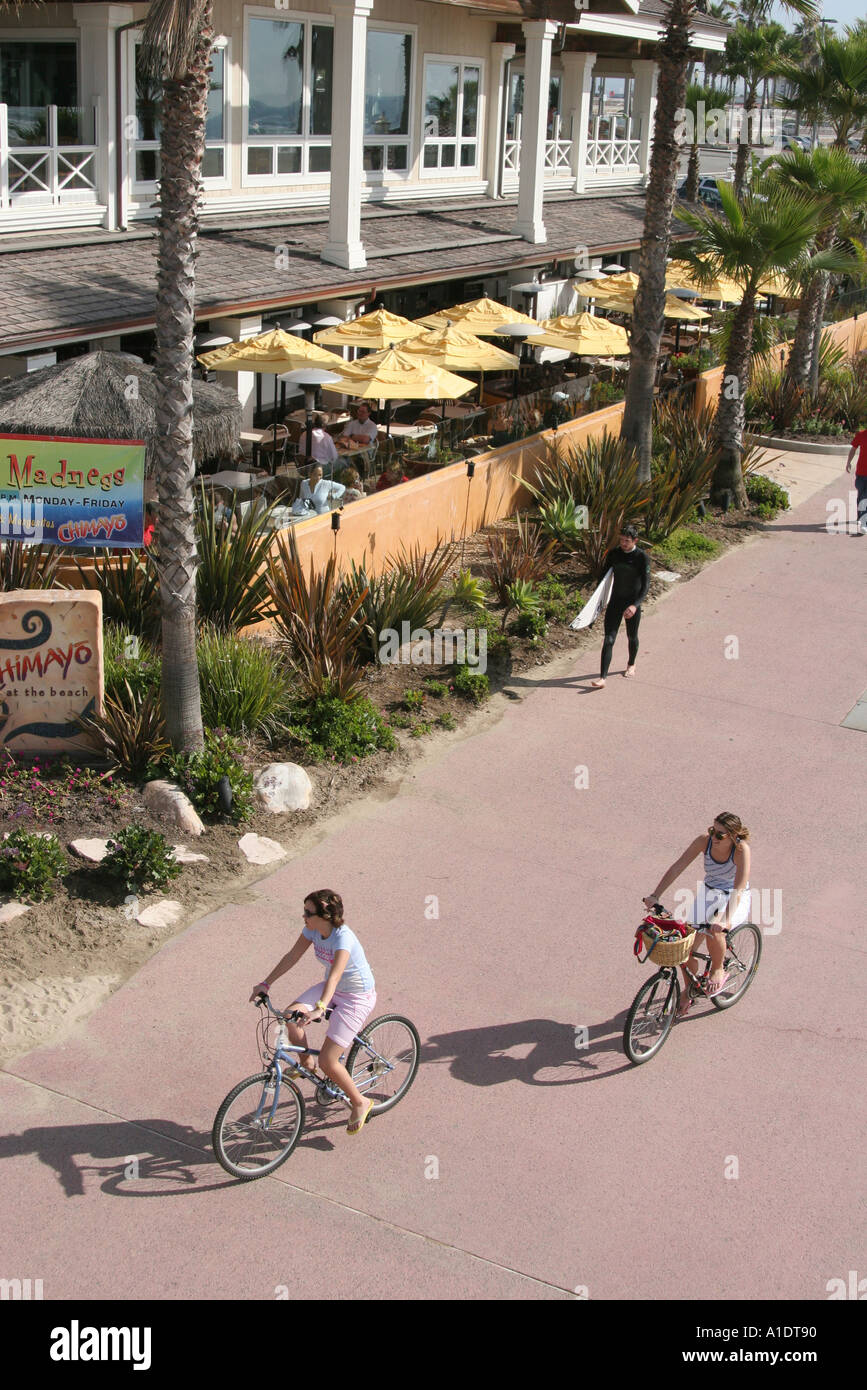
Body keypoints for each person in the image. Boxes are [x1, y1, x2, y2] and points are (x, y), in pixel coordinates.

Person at [250, 890, 377, 1136]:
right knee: (290, 1016)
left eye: (308, 913)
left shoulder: (343, 939)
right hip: (331, 988)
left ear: (326, 916)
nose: (303, 916)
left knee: (328, 1061)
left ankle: (360, 1102)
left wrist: (320, 1008)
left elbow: (337, 975)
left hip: (355, 997)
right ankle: (306, 1064)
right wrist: (266, 983)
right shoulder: (312, 930)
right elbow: (292, 956)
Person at [642, 813, 752, 1015]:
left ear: (733, 835)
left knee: (715, 930)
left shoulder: (741, 850)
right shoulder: (704, 841)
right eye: (713, 830)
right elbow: (678, 867)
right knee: (683, 947)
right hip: (709, 894)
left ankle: (718, 969)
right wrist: (655, 895)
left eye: (720, 835)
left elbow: (739, 887)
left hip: (735, 897)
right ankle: (689, 990)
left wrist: (725, 920)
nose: (714, 837)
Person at [590, 524, 650, 688]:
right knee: (609, 639)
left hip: (631, 603)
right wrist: (598, 601)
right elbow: (603, 577)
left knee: (632, 636)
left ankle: (631, 663)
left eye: (627, 541)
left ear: (635, 541)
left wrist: (635, 605)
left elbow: (646, 586)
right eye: (621, 540)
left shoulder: (641, 557)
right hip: (616, 601)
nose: (623, 543)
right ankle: (602, 678)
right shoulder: (614, 554)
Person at [845, 426, 867, 534]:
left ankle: (864, 523)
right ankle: (860, 515)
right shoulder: (861, 435)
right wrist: (848, 462)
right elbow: (853, 448)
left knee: (865, 496)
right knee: (861, 495)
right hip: (861, 472)